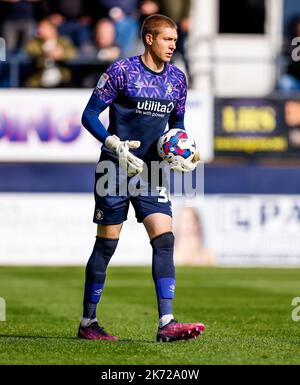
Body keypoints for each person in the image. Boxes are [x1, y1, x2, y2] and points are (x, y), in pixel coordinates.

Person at [79, 14, 205, 342]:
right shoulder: (122, 71)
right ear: (149, 39)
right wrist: (112, 143)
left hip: (151, 171)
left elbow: (178, 125)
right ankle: (88, 323)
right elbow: (89, 114)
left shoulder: (177, 79)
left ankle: (167, 323)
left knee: (165, 239)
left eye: (175, 40)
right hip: (115, 168)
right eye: (167, 39)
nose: (173, 45)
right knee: (106, 245)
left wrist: (185, 152)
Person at [25, 18, 77, 87]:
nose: (40, 30)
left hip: (62, 82)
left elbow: (72, 53)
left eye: (44, 28)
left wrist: (62, 54)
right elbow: (30, 50)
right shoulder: (36, 42)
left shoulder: (63, 41)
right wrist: (45, 52)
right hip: (38, 82)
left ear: (53, 29)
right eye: (40, 27)